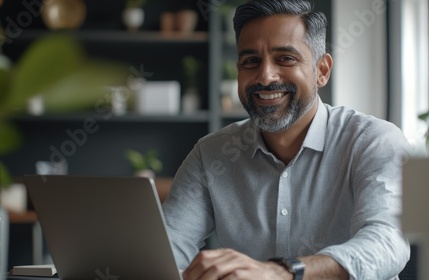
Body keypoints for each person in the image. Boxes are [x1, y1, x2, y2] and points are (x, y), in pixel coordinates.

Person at [162, 0, 410, 279]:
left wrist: (283, 272)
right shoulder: (211, 154)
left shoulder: (373, 141)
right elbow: (166, 249)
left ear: (322, 70)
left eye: (285, 59)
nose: (265, 76)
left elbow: (389, 242)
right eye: (251, 61)